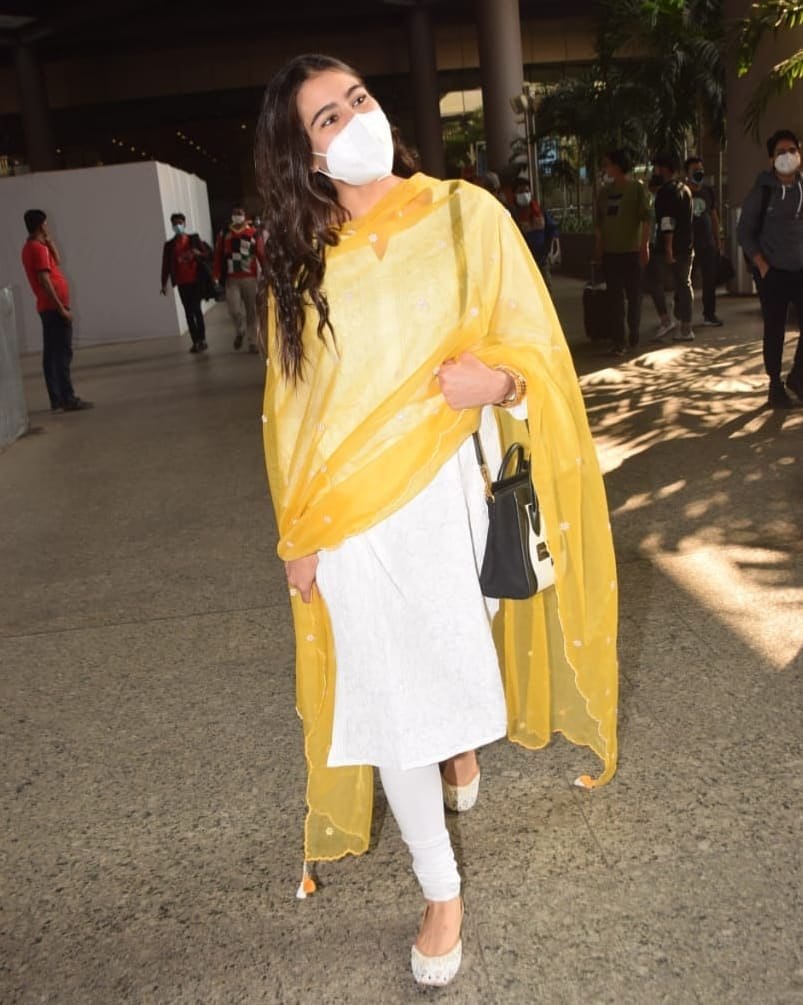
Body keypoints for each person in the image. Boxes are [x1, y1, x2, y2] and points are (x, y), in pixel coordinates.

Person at [255, 54, 618, 989]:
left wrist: (493, 382)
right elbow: (290, 406)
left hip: (453, 493)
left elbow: (534, 346)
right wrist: (297, 535)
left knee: (456, 654)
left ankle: (459, 742)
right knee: (388, 702)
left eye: (359, 100)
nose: (354, 120)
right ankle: (440, 886)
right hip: (351, 518)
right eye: (326, 119)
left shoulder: (466, 215)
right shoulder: (300, 262)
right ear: (305, 155)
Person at [737, 128, 803, 409]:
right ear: (770, 160)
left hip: (801, 270)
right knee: (774, 330)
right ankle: (775, 385)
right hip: (772, 274)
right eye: (780, 152)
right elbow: (744, 232)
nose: (786, 156)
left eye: (792, 151)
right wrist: (761, 264)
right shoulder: (761, 192)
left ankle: (798, 379)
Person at [21, 209, 93, 412]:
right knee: (61, 354)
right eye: (45, 223)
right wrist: (61, 308)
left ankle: (57, 399)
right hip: (54, 308)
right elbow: (44, 280)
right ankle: (67, 398)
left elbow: (57, 262)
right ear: (39, 225)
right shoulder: (37, 249)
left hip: (47, 307)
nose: (47, 226)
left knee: (52, 354)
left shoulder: (31, 247)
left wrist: (50, 243)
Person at [593, 148, 652, 356]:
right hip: (611, 253)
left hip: (631, 251)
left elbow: (646, 218)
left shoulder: (636, 189)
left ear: (618, 166)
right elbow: (599, 222)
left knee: (634, 295)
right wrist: (599, 247)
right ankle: (619, 340)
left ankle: (633, 331)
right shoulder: (605, 192)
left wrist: (644, 245)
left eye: (608, 164)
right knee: (614, 298)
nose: (605, 168)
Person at [643, 152, 695, 343]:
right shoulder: (685, 189)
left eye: (656, 168)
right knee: (684, 284)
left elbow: (667, 222)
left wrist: (668, 248)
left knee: (653, 280)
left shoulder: (666, 192)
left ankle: (667, 320)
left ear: (664, 169)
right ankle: (685, 326)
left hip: (671, 246)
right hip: (687, 245)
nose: (654, 172)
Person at [213, 204, 263, 353]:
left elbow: (260, 252)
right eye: (235, 213)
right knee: (234, 309)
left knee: (252, 311)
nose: (237, 216)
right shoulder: (224, 233)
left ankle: (253, 341)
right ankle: (240, 330)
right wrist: (215, 274)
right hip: (231, 279)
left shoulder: (253, 232)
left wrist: (267, 270)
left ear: (244, 215)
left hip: (250, 277)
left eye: (240, 213)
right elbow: (218, 255)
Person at [160, 213, 211, 353]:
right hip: (182, 283)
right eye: (175, 223)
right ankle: (196, 342)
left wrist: (197, 253)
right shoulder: (169, 245)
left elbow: (206, 254)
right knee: (188, 312)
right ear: (172, 226)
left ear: (185, 224)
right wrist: (164, 284)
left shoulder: (193, 239)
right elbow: (165, 265)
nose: (178, 226)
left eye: (180, 223)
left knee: (196, 309)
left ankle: (203, 339)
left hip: (196, 280)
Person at [685, 156, 724, 328]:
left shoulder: (708, 191)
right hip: (688, 244)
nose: (699, 172)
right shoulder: (683, 192)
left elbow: (714, 216)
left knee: (709, 280)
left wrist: (718, 237)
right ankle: (681, 314)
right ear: (687, 173)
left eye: (700, 169)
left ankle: (709, 314)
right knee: (686, 281)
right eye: (695, 170)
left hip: (707, 243)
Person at [511, 176, 560, 293]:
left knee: (546, 291)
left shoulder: (539, 211)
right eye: (521, 191)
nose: (524, 194)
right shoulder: (512, 215)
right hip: (522, 263)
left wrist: (553, 249)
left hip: (542, 260)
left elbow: (552, 230)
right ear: (515, 194)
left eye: (527, 191)